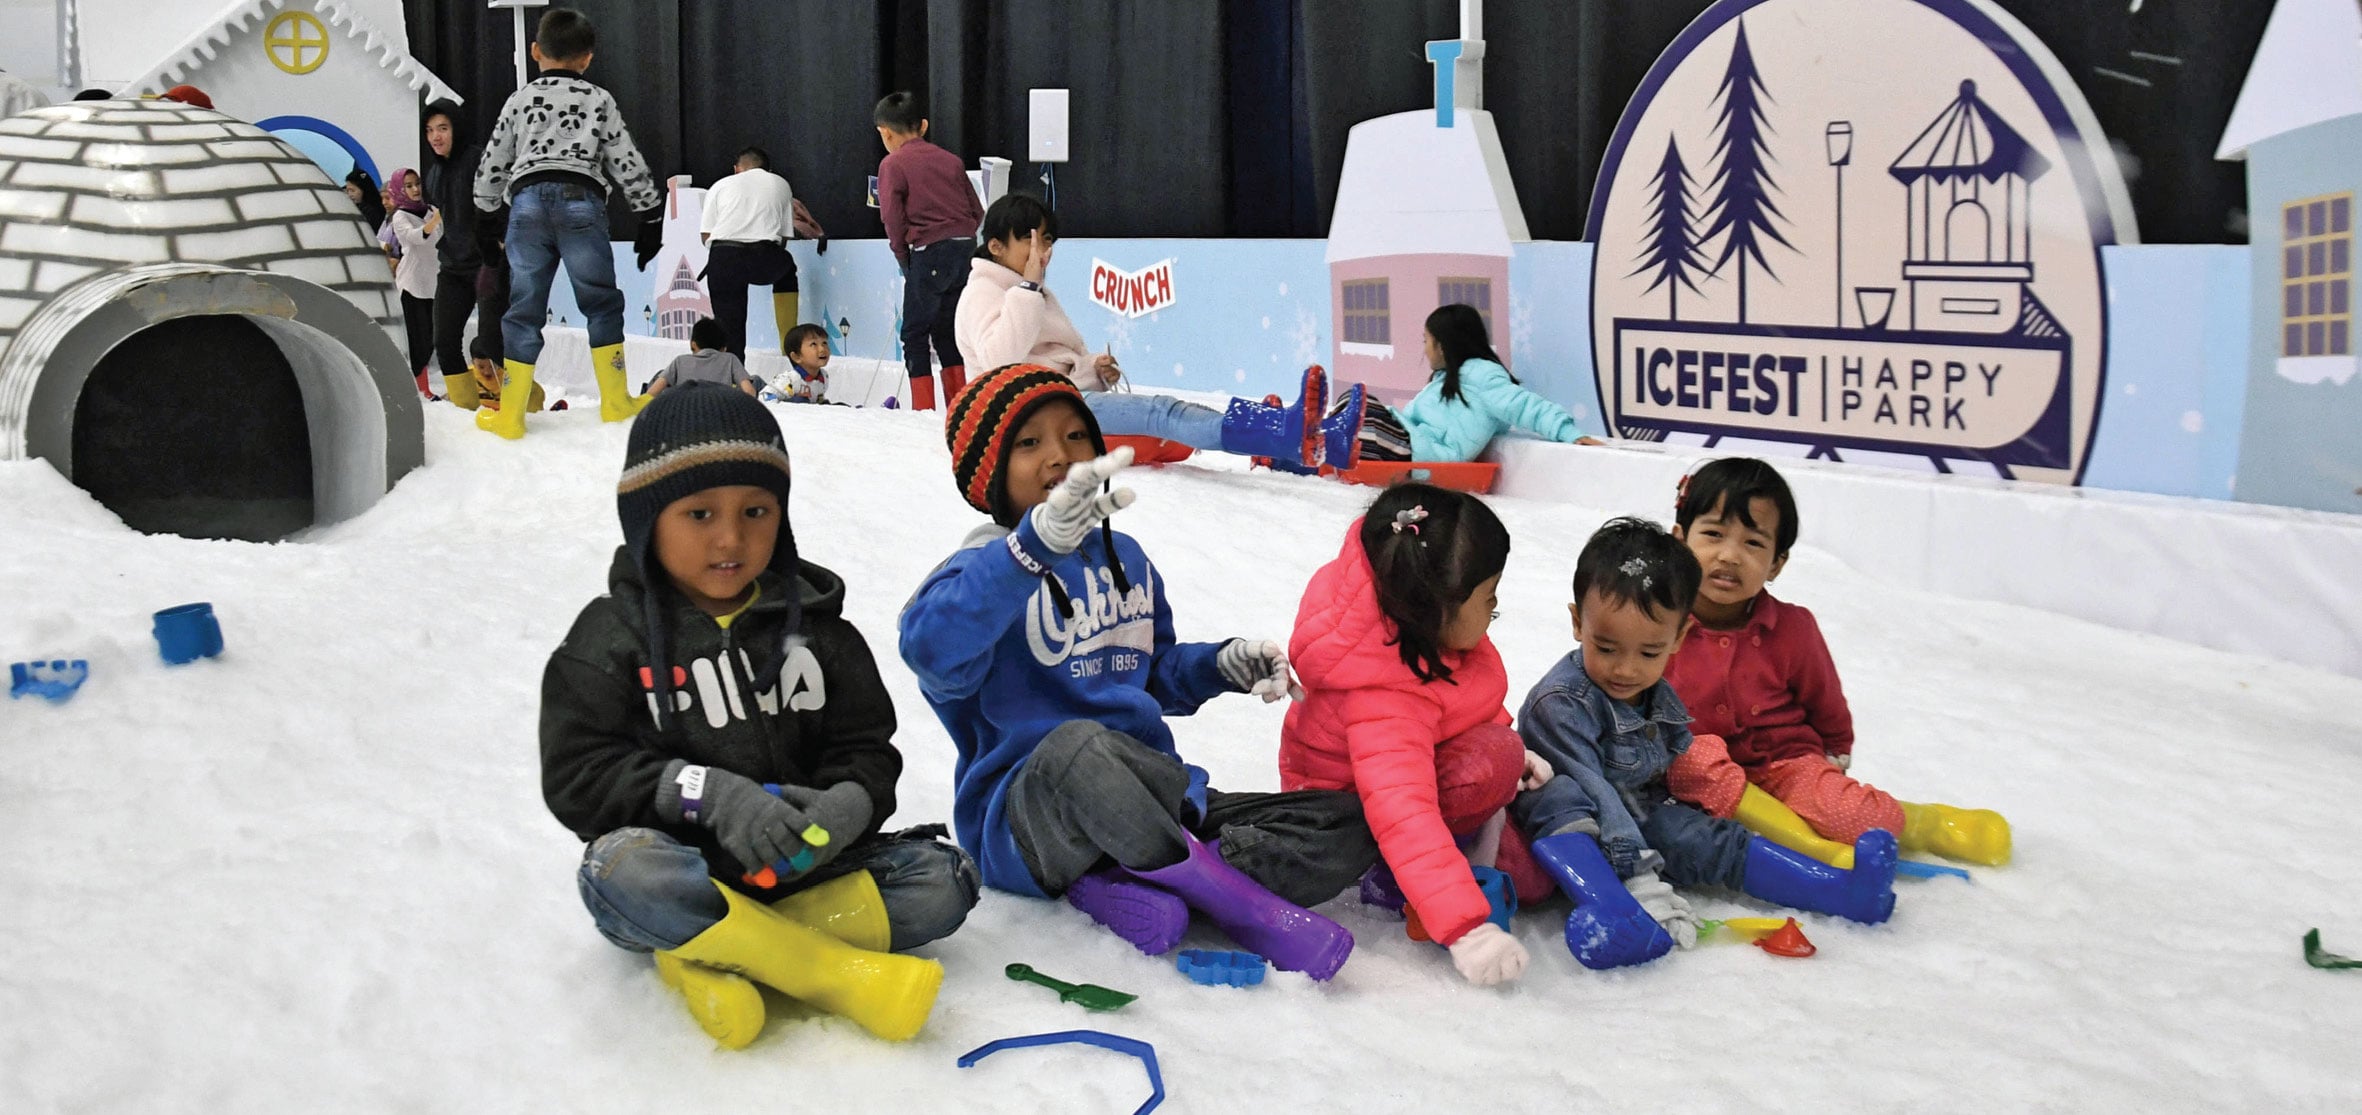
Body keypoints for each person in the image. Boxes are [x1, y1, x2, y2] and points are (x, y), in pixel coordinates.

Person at [898, 365, 1376, 978]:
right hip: (1029, 819)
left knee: (1345, 820)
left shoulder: (1127, 559)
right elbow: (930, 652)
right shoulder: (977, 571)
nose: (1059, 456)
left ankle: (1132, 879)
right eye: (1029, 443)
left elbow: (1150, 675)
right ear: (987, 473)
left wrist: (1218, 665)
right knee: (1077, 747)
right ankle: (1234, 901)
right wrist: (1029, 553)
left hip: (1151, 798)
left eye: (1075, 436)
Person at [542, 384, 978, 1049]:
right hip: (683, 867)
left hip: (803, 870)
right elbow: (579, 773)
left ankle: (711, 953)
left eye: (756, 510)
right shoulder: (610, 638)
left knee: (945, 881)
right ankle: (829, 969)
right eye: (698, 513)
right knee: (617, 872)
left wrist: (845, 809)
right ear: (646, 519)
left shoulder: (824, 635)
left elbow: (869, 750)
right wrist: (709, 794)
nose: (731, 536)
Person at [1511, 517, 1900, 971]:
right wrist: (1644, 884)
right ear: (1579, 623)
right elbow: (1594, 796)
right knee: (1564, 799)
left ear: (1678, 638)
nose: (1626, 669)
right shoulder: (1561, 703)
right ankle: (1619, 913)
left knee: (1713, 841)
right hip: (1582, 830)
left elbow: (1673, 759)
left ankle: (1840, 889)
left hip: (1638, 811)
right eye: (1607, 647)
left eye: (1649, 653)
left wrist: (1711, 803)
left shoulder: (1654, 691)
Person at [1662, 457, 2012, 867]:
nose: (1730, 555)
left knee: (1862, 818)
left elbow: (1824, 702)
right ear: (1680, 541)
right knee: (1690, 758)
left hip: (1784, 766)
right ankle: (1808, 847)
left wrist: (1833, 760)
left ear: (1777, 563)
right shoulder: (1658, 624)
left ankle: (1924, 823)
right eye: (1714, 534)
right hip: (1696, 776)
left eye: (1753, 543)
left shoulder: (1793, 628)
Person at [1279, 483, 1553, 987]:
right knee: (1524, 866)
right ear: (1437, 607)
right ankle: (1388, 877)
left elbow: (1455, 699)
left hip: (1392, 779)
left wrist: (1501, 732)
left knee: (1532, 862)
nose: (1494, 607)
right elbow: (1402, 811)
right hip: (1347, 816)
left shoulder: (1406, 616)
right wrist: (1467, 928)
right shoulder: (1383, 698)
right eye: (1487, 596)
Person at [956, 193, 1335, 468]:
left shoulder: (1027, 289)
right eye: (1029, 239)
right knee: (1162, 413)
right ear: (995, 246)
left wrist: (1093, 368)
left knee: (1175, 414)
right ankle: (1280, 434)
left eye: (1048, 240)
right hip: (1031, 417)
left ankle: (1300, 435)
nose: (1042, 251)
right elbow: (999, 364)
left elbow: (1050, 365)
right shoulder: (985, 292)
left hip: (1056, 402)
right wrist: (1030, 289)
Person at [473, 7, 665, 438]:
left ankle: (511, 415)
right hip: (581, 202)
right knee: (600, 301)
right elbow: (627, 160)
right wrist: (649, 215)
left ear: (536, 51)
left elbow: (493, 162)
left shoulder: (519, 100)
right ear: (587, 59)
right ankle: (615, 401)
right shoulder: (599, 100)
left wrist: (485, 216)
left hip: (525, 207)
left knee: (522, 308)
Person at [1345, 303, 1602, 465]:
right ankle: (1319, 435)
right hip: (1413, 442)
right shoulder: (1443, 379)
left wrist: (1569, 433)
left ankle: (1324, 440)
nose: (1424, 349)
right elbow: (1411, 419)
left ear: (1442, 347)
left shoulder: (1483, 377)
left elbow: (1525, 406)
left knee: (1365, 413)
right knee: (1356, 401)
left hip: (1428, 454)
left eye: (1426, 341)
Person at [874, 91, 981, 411]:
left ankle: (923, 411)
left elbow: (891, 216)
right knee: (949, 331)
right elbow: (977, 211)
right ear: (922, 126)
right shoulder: (951, 160)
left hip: (929, 251)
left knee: (915, 333)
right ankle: (959, 406)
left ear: (886, 132)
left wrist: (902, 255)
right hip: (965, 249)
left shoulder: (893, 163)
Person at [700, 146, 815, 358]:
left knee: (729, 327)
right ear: (768, 169)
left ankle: (733, 382)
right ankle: (788, 345)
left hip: (723, 256)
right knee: (787, 270)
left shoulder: (720, 185)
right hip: (763, 255)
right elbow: (784, 237)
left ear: (736, 169)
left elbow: (706, 235)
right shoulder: (780, 183)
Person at [423, 100, 490, 408]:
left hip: (486, 265)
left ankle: (519, 402)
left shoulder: (477, 160)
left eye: (443, 128)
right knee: (445, 341)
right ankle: (465, 407)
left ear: (456, 129)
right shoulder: (435, 172)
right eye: (430, 130)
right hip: (452, 267)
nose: (436, 136)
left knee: (495, 341)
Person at [387, 168, 441, 400]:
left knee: (432, 337)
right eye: (408, 185)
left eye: (417, 183)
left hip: (435, 281)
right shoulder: (400, 216)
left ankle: (423, 386)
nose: (415, 189)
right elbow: (415, 238)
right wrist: (436, 220)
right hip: (412, 284)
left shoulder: (431, 211)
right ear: (400, 190)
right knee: (417, 339)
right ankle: (421, 387)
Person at [648, 318, 759, 399]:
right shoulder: (730, 359)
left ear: (693, 344)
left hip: (685, 413)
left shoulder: (680, 361)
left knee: (660, 375)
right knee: (755, 380)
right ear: (724, 348)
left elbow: (651, 393)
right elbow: (749, 391)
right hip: (720, 412)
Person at [780, 323, 833, 403]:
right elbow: (765, 397)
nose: (822, 349)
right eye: (813, 344)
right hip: (792, 413)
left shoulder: (823, 376)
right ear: (796, 357)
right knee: (800, 401)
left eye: (824, 343)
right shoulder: (791, 380)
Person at [344, 168, 388, 254]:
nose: (349, 195)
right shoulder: (356, 207)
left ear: (364, 189)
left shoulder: (372, 211)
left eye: (352, 190)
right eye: (347, 190)